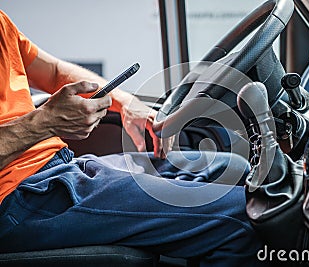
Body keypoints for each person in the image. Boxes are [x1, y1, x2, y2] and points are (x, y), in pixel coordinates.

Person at [0, 10, 264, 267]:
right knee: (245, 217)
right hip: (17, 198)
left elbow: (54, 71)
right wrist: (44, 122)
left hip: (55, 167)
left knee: (231, 169)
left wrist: (126, 103)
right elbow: (42, 119)